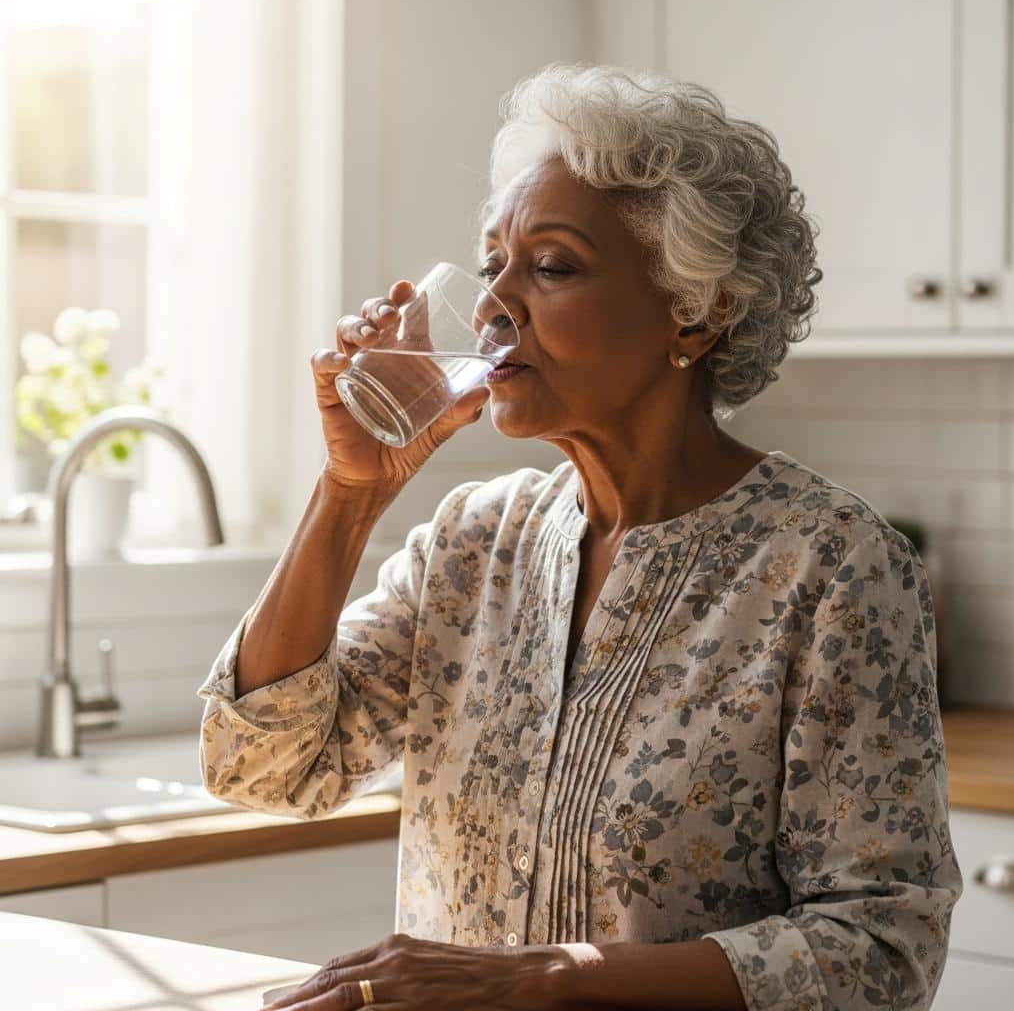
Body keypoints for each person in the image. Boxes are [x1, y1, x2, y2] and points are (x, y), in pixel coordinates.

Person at [197, 63, 962, 1011]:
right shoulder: (473, 544)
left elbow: (880, 952)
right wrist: (349, 494)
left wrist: (552, 980)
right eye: (492, 267)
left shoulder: (830, 565)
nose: (491, 306)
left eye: (552, 267)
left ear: (697, 309)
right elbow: (263, 768)